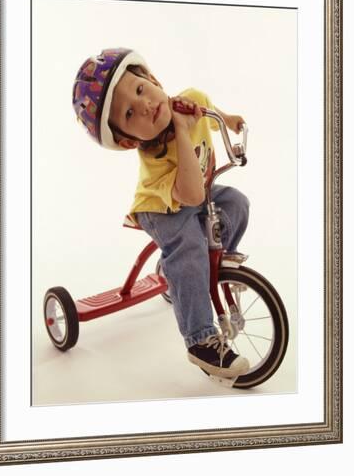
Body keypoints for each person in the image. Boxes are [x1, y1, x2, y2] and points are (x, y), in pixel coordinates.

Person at [72, 47, 250, 379]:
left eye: (140, 90)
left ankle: (212, 262)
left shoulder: (190, 99)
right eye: (128, 114)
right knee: (189, 247)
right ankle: (200, 341)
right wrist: (182, 131)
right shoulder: (155, 160)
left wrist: (226, 120)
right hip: (163, 206)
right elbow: (191, 193)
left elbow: (208, 108)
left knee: (237, 203)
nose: (144, 105)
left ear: (152, 80)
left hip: (198, 192)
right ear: (128, 140)